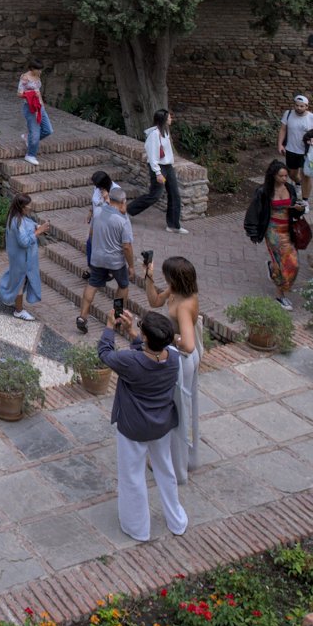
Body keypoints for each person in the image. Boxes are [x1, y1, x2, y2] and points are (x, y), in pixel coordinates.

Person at [99, 308, 187, 542]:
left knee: (132, 476)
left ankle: (138, 528)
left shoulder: (130, 361)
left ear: (147, 337)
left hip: (133, 427)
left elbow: (105, 353)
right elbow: (152, 354)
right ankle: (176, 521)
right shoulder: (174, 358)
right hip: (162, 425)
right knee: (165, 471)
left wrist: (110, 327)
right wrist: (133, 334)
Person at [142, 255, 202, 483]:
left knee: (177, 413)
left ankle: (177, 469)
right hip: (183, 360)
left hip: (183, 361)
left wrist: (167, 337)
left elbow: (188, 343)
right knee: (181, 409)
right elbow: (155, 301)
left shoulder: (185, 305)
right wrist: (148, 277)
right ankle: (186, 458)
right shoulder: (176, 291)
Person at [76, 183, 134, 334]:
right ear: (123, 202)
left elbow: (92, 234)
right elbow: (127, 246)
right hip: (115, 261)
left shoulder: (99, 212)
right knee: (123, 285)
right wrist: (132, 266)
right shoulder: (123, 221)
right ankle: (117, 317)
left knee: (92, 284)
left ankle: (82, 317)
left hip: (98, 258)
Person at [255, 158, 303, 309]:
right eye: (281, 176)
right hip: (273, 231)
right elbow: (257, 211)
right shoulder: (265, 191)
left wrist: (298, 209)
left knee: (294, 263)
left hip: (287, 229)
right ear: (273, 176)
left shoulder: (290, 189)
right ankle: (280, 295)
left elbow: (293, 209)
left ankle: (272, 269)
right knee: (283, 263)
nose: (284, 179)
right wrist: (255, 231)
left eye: (286, 176)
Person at [128, 109, 185, 233]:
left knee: (175, 195)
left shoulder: (165, 132)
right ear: (164, 119)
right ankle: (127, 211)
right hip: (159, 168)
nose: (171, 119)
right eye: (169, 117)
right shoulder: (154, 135)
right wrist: (158, 173)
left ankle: (173, 225)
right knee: (155, 195)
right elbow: (152, 156)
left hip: (168, 167)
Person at [0, 192, 50, 320]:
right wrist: (38, 231)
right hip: (22, 260)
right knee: (20, 282)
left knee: (15, 278)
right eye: (28, 205)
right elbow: (24, 242)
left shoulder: (14, 216)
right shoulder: (18, 221)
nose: (30, 207)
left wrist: (36, 226)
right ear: (22, 207)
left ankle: (8, 296)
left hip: (16, 258)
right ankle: (19, 310)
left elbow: (28, 223)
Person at [277, 94, 313, 211]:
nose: (298, 108)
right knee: (293, 174)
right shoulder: (288, 114)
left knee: (306, 176)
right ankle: (298, 183)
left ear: (307, 106)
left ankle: (305, 201)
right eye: (296, 105)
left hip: (306, 152)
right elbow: (283, 129)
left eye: (301, 106)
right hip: (291, 150)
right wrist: (280, 144)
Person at [16, 62, 53, 165]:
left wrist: (42, 105)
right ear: (32, 68)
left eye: (41, 69)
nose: (40, 71)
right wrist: (31, 94)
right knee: (35, 133)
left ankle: (28, 138)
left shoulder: (38, 75)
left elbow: (38, 90)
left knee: (48, 130)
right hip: (30, 107)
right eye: (38, 69)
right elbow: (19, 93)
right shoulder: (25, 77)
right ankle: (30, 155)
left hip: (39, 107)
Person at [85, 170, 113, 279]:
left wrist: (107, 199)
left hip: (107, 224)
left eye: (99, 186)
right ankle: (92, 268)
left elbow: (117, 210)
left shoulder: (115, 190)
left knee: (104, 246)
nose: (97, 188)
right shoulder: (97, 188)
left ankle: (107, 271)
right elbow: (94, 201)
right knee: (90, 243)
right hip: (96, 221)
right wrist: (90, 212)